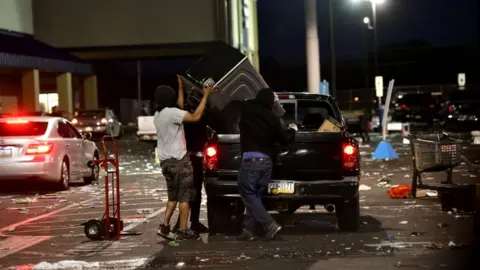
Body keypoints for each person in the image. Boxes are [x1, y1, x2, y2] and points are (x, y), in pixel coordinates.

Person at [154, 76, 214, 240]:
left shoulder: (159, 115)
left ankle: (165, 226)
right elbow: (195, 117)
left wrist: (180, 88)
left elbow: (180, 108)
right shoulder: (173, 113)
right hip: (180, 161)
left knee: (173, 197)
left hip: (166, 163)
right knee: (185, 197)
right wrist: (206, 95)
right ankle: (183, 229)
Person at [237, 88, 297, 241]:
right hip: (267, 163)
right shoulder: (273, 118)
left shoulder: (247, 111)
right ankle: (248, 230)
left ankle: (269, 224)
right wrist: (292, 130)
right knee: (255, 196)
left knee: (248, 193)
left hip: (251, 161)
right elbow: (284, 139)